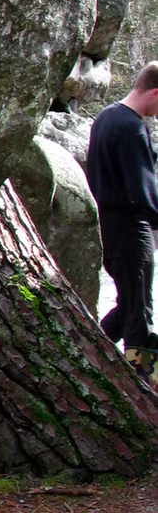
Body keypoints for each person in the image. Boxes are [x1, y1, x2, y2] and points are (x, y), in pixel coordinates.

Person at [85, 64, 158, 376]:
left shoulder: (106, 117)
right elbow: (143, 192)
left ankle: (86, 356)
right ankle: (143, 384)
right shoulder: (131, 127)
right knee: (140, 313)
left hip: (109, 229)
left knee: (129, 306)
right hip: (132, 232)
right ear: (155, 93)